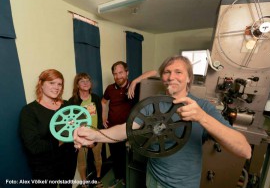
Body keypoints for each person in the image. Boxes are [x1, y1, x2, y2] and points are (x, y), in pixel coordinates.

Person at [74, 55, 252, 188]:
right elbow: (125, 129)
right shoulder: (154, 104)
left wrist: (202, 118)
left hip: (183, 184)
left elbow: (244, 150)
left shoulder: (203, 107)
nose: (171, 76)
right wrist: (94, 134)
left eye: (178, 72)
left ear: (189, 78)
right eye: (167, 72)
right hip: (153, 177)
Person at [101, 61, 157, 187]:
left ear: (127, 73)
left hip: (129, 130)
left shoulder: (135, 86)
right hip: (112, 129)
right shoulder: (110, 88)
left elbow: (154, 72)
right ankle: (118, 177)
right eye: (115, 74)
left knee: (127, 156)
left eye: (120, 73)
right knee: (116, 156)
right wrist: (104, 116)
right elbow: (104, 102)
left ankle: (127, 179)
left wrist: (136, 81)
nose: (118, 76)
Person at [20, 69, 77, 188]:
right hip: (44, 166)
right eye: (51, 83)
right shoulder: (29, 111)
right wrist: (61, 140)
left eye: (59, 84)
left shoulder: (67, 106)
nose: (56, 87)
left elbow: (76, 129)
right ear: (41, 83)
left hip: (68, 161)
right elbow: (33, 146)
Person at [68, 72, 103, 187]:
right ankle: (84, 183)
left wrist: (97, 136)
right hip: (80, 137)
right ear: (77, 84)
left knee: (98, 159)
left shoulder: (96, 98)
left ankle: (98, 179)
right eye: (82, 81)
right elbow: (71, 122)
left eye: (87, 80)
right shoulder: (72, 101)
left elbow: (99, 117)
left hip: (96, 134)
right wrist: (81, 138)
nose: (85, 83)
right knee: (82, 162)